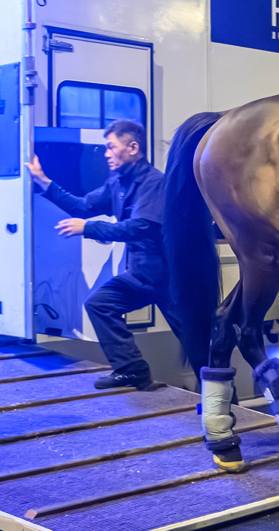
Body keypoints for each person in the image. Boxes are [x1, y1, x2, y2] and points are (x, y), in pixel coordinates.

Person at [26, 119, 175, 390]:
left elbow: (141, 227)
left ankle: (223, 398)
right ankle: (132, 370)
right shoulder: (117, 183)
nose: (106, 153)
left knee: (198, 342)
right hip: (142, 275)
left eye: (110, 147)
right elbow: (82, 207)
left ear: (132, 147)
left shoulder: (153, 182)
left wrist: (89, 229)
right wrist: (43, 180)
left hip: (165, 276)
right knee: (100, 304)